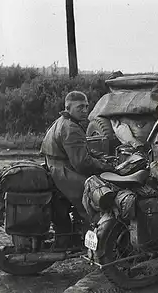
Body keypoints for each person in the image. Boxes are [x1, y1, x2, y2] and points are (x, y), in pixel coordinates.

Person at [40, 91, 115, 247]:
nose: (85, 110)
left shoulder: (63, 121)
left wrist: (99, 157)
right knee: (96, 198)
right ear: (68, 107)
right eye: (80, 107)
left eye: (86, 106)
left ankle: (81, 237)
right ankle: (97, 244)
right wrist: (107, 167)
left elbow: (80, 150)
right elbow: (82, 163)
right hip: (63, 172)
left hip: (57, 167)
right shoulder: (71, 128)